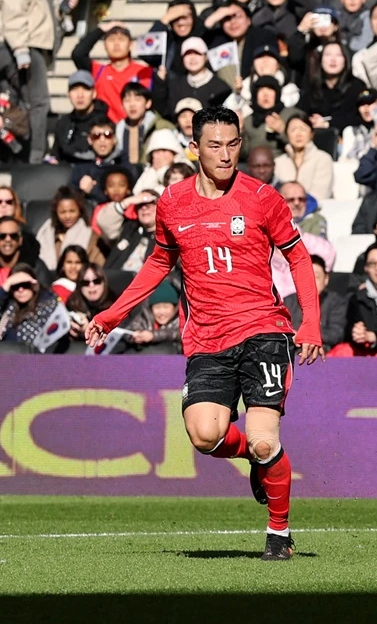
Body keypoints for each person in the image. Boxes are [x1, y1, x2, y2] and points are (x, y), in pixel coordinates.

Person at [85, 106, 325, 562]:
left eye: (233, 144)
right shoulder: (172, 202)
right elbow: (159, 261)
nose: (226, 154)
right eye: (214, 145)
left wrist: (309, 322)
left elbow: (297, 257)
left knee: (263, 438)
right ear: (195, 148)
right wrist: (112, 314)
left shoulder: (261, 197)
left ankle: (279, 532)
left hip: (263, 331)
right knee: (204, 435)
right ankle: (261, 463)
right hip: (207, 339)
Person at [0, 0, 56, 163]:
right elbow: (13, 16)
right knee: (39, 102)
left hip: (27, 46)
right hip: (21, 48)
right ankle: (35, 156)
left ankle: (16, 152)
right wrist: (21, 50)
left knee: (19, 102)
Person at [71, 22, 154, 123]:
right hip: (106, 132)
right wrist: (101, 29)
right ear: (105, 45)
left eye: (121, 39)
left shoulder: (144, 72)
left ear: (130, 44)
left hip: (136, 128)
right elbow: (78, 54)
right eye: (111, 40)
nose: (116, 44)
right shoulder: (98, 71)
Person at [282, 254, 345, 353]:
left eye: (316, 276)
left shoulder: (336, 302)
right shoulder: (288, 301)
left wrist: (306, 336)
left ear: (326, 279)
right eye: (307, 277)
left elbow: (336, 333)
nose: (311, 281)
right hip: (292, 352)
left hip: (325, 355)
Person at [0, 263, 65, 352]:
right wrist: (7, 284)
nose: (20, 290)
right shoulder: (7, 306)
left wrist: (40, 288)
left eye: (25, 285)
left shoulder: (46, 304)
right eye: (16, 286)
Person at [274, 116, 334, 199]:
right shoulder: (278, 162)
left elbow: (321, 193)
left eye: (303, 129)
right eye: (293, 130)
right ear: (287, 135)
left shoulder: (323, 159)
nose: (299, 134)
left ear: (312, 134)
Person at [115, 280, 181, 354]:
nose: (162, 312)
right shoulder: (145, 317)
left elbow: (177, 334)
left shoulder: (180, 320)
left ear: (174, 308)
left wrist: (153, 336)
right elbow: (129, 330)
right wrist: (136, 336)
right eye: (157, 307)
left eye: (166, 307)